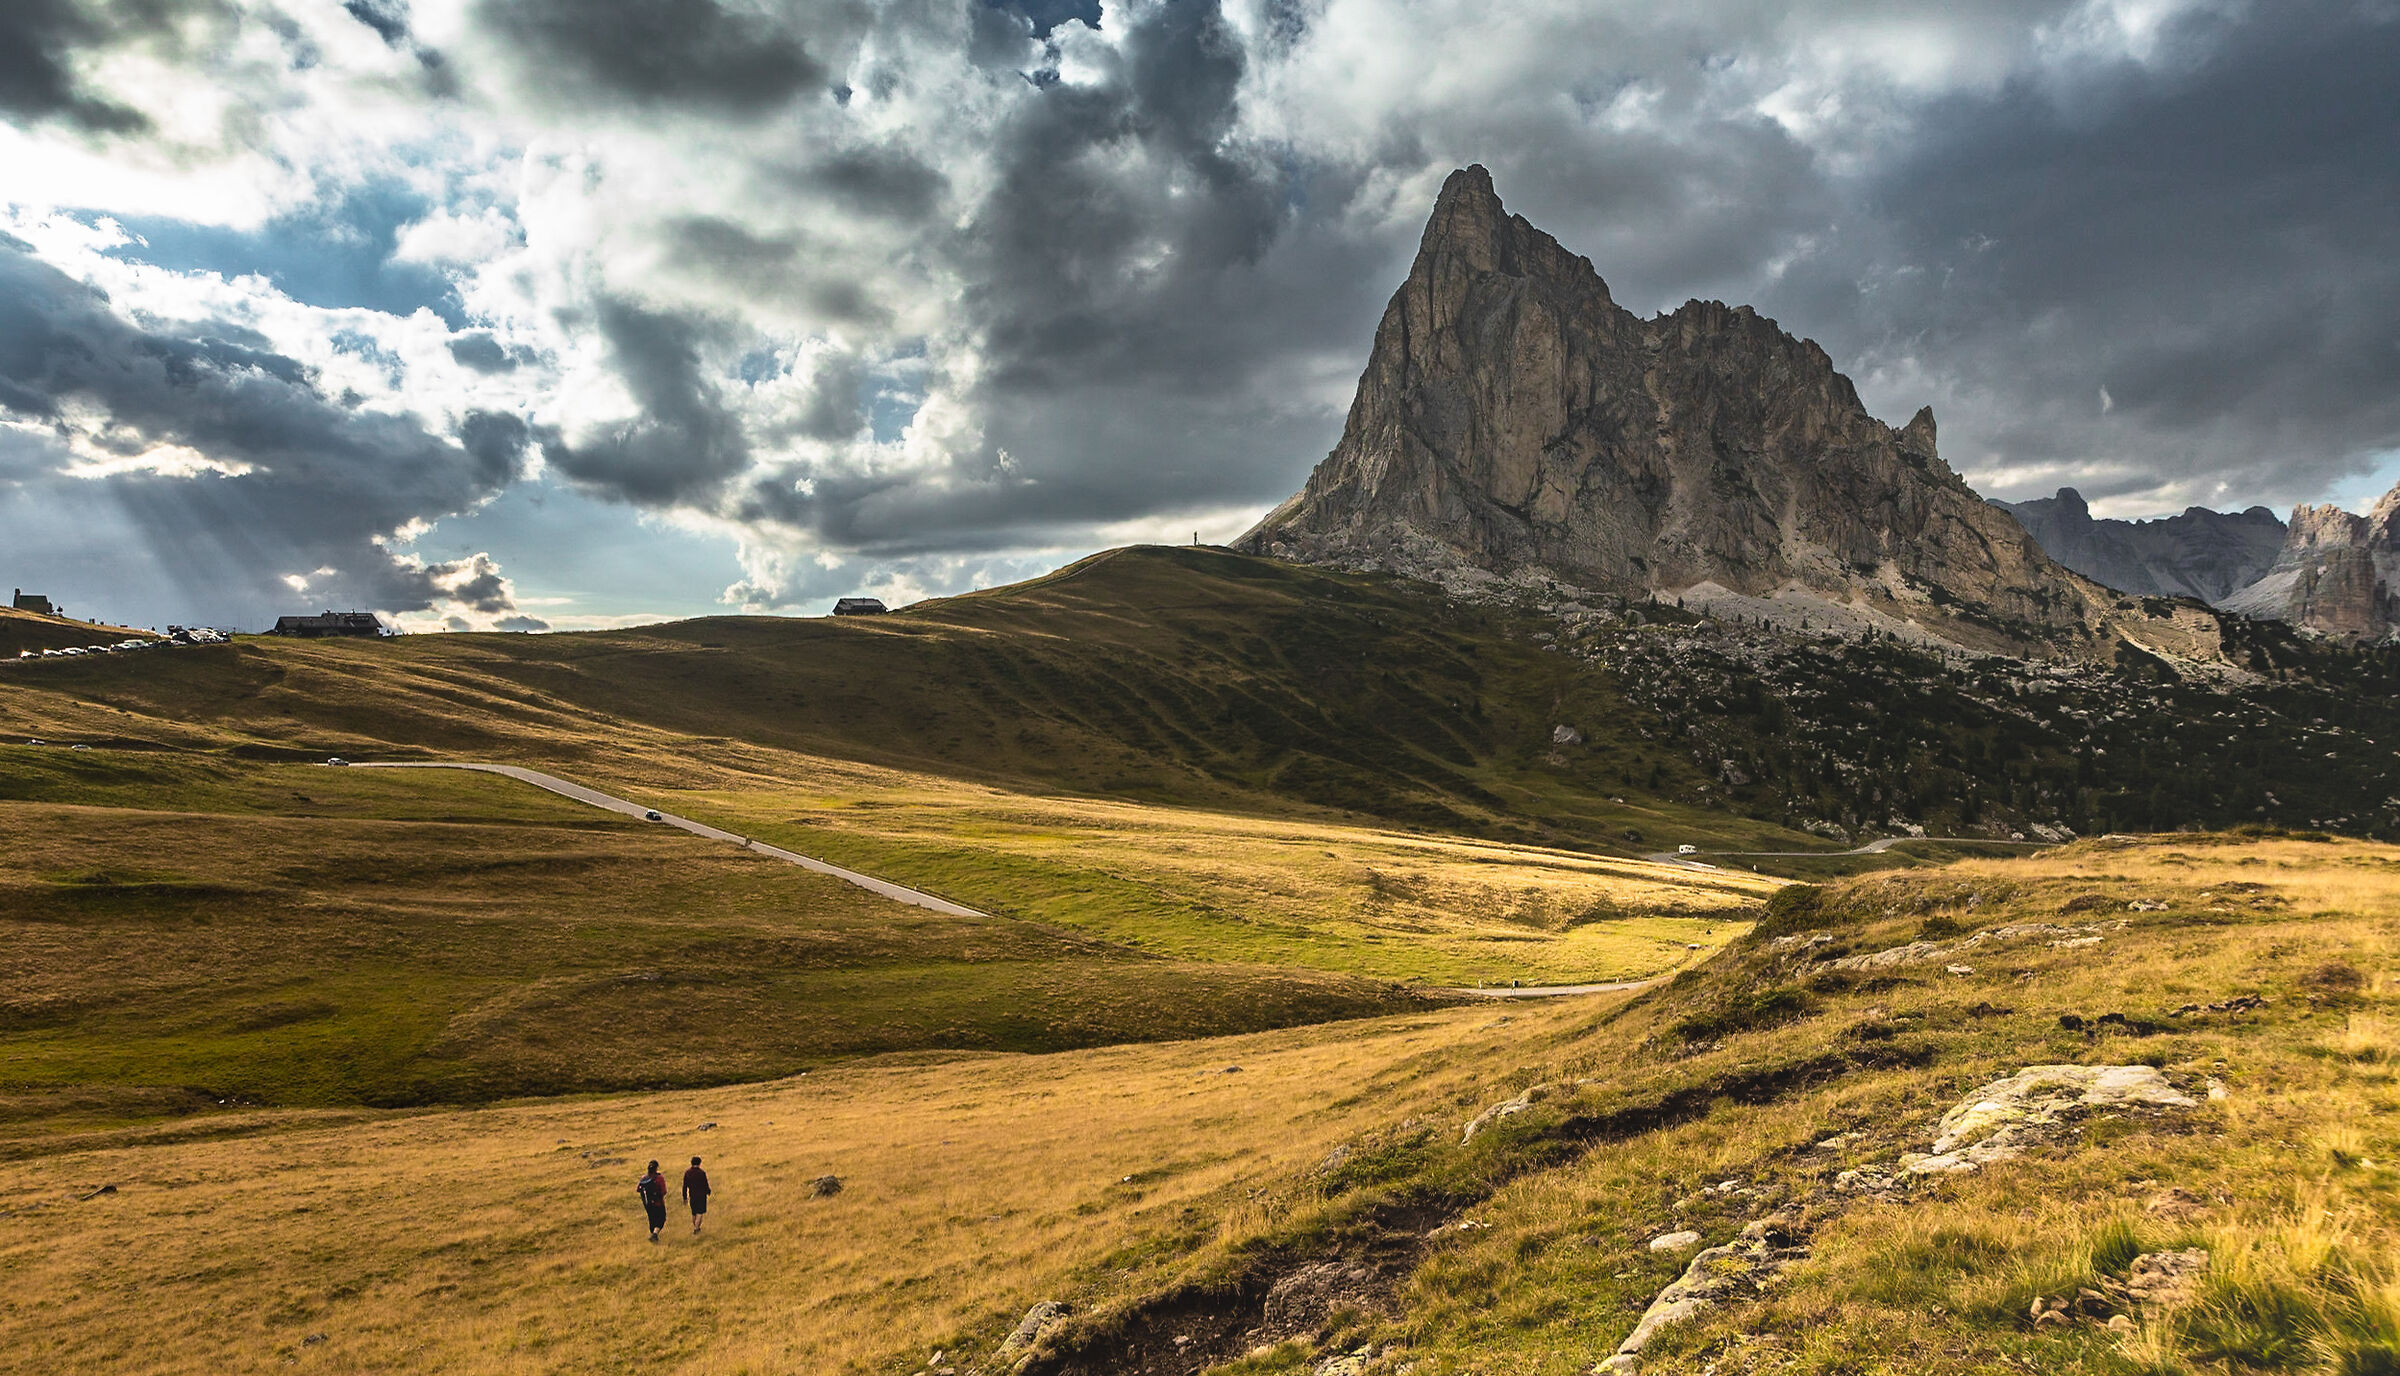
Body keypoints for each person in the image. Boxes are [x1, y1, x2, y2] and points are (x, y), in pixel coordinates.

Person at [636, 1160, 668, 1242]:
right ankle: (655, 1234)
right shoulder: (659, 1178)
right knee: (661, 1219)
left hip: (647, 1204)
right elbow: (664, 1191)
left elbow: (638, 1189)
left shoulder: (644, 1178)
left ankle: (653, 1234)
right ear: (656, 1168)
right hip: (658, 1202)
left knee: (652, 1219)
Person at [682, 1156, 712, 1234]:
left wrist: (684, 1197)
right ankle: (696, 1228)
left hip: (692, 1196)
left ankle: (697, 1227)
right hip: (701, 1196)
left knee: (694, 1213)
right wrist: (708, 1191)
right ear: (699, 1163)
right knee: (700, 1213)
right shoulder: (701, 1173)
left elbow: (684, 1186)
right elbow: (705, 1184)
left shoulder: (687, 1173)